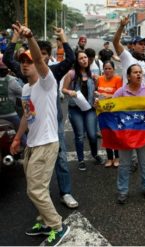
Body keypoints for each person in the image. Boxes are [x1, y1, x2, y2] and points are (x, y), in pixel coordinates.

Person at [3, 24, 78, 209]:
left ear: (47, 56)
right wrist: (14, 37)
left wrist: (63, 37)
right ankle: (41, 199)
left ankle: (65, 192)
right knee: (34, 170)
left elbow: (70, 59)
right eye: (38, 54)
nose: (37, 58)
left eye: (44, 53)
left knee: (60, 157)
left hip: (53, 122)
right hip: (32, 120)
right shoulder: (25, 70)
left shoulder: (52, 72)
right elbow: (7, 58)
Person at [9, 23, 70, 246]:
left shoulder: (47, 83)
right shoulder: (26, 89)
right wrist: (17, 138)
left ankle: (57, 225)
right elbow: (27, 115)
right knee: (35, 189)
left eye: (30, 61)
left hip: (47, 143)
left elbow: (39, 60)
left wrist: (31, 38)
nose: (26, 65)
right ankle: (45, 221)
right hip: (32, 144)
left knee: (35, 189)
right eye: (22, 61)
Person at [113, 17, 145, 169]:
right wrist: (121, 27)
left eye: (144, 44)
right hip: (129, 102)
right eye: (140, 44)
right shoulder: (127, 57)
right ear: (133, 46)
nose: (143, 46)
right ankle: (133, 161)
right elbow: (115, 42)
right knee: (131, 130)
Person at [113, 64, 145, 204]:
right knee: (125, 164)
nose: (139, 75)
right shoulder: (121, 92)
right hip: (126, 135)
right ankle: (123, 191)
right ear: (128, 76)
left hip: (143, 134)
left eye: (140, 72)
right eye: (135, 72)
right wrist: (99, 105)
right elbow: (111, 108)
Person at [62, 51, 105, 171]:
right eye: (81, 58)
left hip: (90, 109)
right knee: (79, 136)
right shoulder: (72, 73)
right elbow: (63, 89)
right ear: (77, 60)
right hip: (76, 109)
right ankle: (81, 159)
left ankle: (95, 154)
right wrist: (69, 92)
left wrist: (97, 94)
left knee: (92, 135)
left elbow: (96, 90)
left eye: (85, 57)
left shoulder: (93, 74)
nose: (84, 60)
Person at [95, 60, 123, 167]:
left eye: (109, 68)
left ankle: (117, 157)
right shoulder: (100, 79)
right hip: (102, 112)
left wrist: (106, 96)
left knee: (115, 134)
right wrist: (97, 95)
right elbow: (96, 91)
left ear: (113, 69)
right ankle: (109, 158)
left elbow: (119, 95)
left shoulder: (118, 79)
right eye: (105, 69)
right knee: (106, 134)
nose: (107, 71)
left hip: (114, 111)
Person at [0, 54, 24, 144]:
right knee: (21, 133)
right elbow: (23, 93)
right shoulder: (12, 80)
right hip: (10, 114)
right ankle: (26, 149)